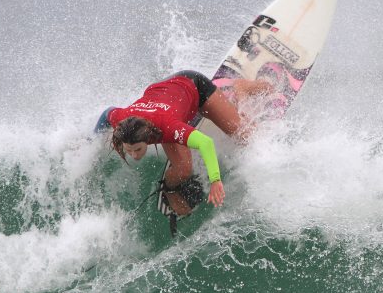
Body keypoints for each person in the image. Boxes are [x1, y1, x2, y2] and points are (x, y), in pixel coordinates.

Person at [95, 70, 271, 215]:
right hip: (164, 93)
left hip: (194, 87)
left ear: (148, 136)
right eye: (129, 150)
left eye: (138, 149)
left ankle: (242, 87)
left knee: (247, 136)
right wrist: (91, 139)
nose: (134, 155)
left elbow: (205, 143)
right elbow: (106, 113)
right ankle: (170, 189)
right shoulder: (122, 120)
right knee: (183, 168)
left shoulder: (167, 127)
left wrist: (215, 180)